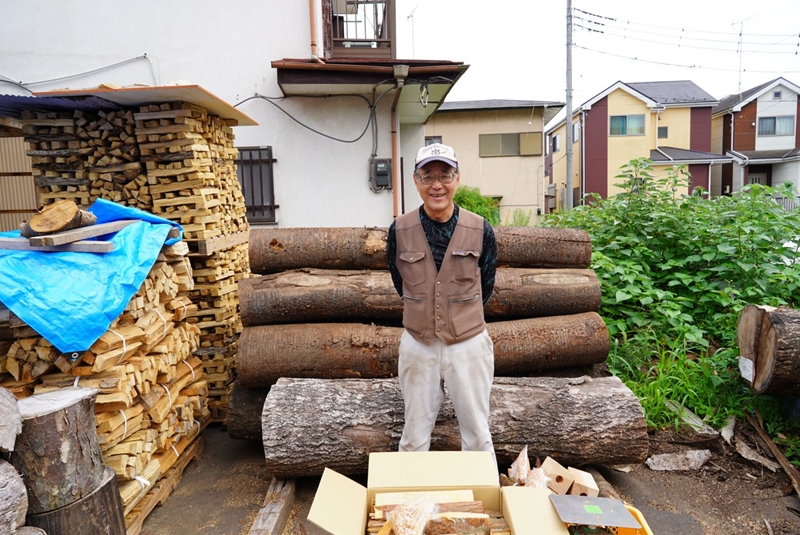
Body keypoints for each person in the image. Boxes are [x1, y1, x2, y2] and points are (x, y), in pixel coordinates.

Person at [386, 142, 498, 460]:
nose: (437, 184)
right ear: (416, 181)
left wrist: (458, 316)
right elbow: (400, 281)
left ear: (457, 178)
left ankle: (480, 505)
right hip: (418, 343)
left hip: (469, 343)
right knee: (413, 437)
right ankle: (411, 508)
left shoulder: (481, 230)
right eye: (428, 175)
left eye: (445, 175)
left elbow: (486, 284)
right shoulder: (399, 230)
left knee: (477, 434)